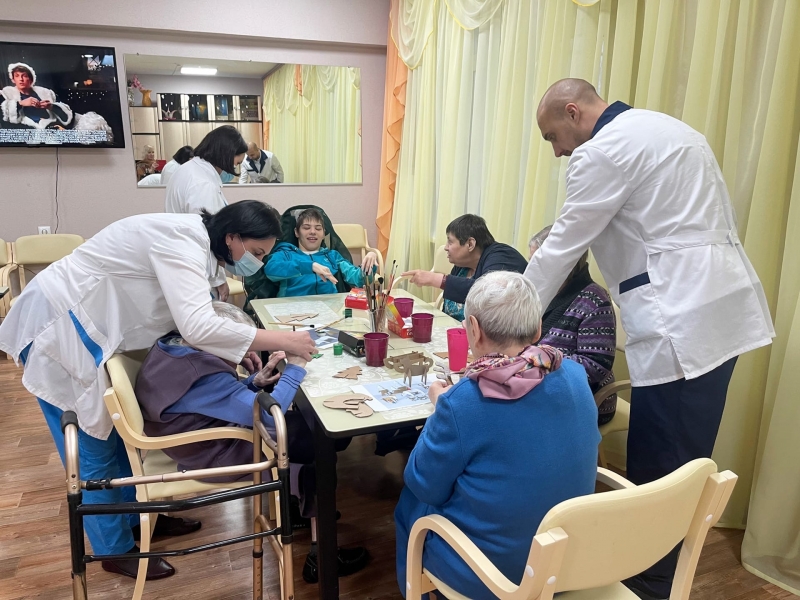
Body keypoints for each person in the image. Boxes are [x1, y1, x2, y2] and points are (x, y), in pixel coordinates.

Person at [527, 78, 774, 600]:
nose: (558, 151)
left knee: (660, 464)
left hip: (679, 319)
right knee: (688, 456)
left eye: (553, 137)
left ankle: (647, 584)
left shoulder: (602, 151)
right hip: (721, 308)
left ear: (573, 112)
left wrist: (509, 317)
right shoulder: (674, 130)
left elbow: (561, 246)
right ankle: (657, 573)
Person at [0, 201, 315, 582]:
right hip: (59, 327)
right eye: (257, 253)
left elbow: (200, 309)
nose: (258, 263)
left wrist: (239, 343)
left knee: (114, 436)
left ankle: (138, 520)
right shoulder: (180, 241)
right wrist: (285, 341)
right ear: (232, 237)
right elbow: (197, 325)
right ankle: (113, 550)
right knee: (93, 445)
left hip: (96, 330)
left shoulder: (202, 244)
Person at [394, 272, 600, 599]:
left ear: (474, 330)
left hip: (495, 575)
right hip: (568, 559)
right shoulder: (574, 375)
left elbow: (423, 485)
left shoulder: (462, 402)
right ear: (537, 329)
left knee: (409, 504)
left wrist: (439, 409)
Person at [135, 301, 368, 584]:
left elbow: (210, 403)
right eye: (241, 345)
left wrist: (253, 383)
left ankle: (299, 505)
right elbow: (269, 416)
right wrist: (295, 368)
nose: (245, 353)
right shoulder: (202, 377)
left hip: (192, 437)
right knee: (317, 439)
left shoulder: (173, 346)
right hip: (213, 452)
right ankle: (323, 555)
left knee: (312, 434)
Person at [529, 225, 617, 425]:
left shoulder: (595, 300)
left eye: (537, 262)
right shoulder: (542, 291)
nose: (532, 268)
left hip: (583, 395)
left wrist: (536, 358)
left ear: (564, 261)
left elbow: (596, 366)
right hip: (541, 383)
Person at [403, 214, 528, 321]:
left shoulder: (502, 256)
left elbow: (487, 292)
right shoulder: (462, 263)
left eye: (450, 242)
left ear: (470, 244)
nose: (446, 247)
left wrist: (435, 279)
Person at [263, 208, 379, 297]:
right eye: (306, 228)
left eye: (318, 228)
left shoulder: (332, 256)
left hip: (329, 307)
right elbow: (270, 270)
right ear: (297, 232)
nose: (313, 232)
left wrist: (369, 263)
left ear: (323, 234)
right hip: (293, 309)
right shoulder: (285, 254)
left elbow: (359, 280)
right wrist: (310, 266)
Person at [165, 125, 247, 215]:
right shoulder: (203, 183)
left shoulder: (187, 169)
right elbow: (206, 222)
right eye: (237, 163)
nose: (234, 167)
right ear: (226, 155)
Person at [1, 62, 73, 129]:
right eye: (17, 76)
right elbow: (5, 117)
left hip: (50, 129)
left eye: (24, 76)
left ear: (31, 79)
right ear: (13, 80)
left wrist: (51, 106)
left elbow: (66, 116)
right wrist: (21, 103)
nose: (21, 79)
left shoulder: (46, 93)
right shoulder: (7, 94)